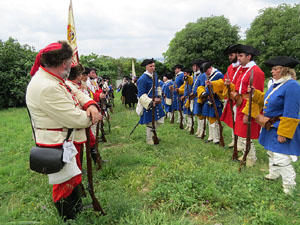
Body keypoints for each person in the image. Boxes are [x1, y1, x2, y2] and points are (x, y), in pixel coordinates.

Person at [26, 41, 101, 221]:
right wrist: (93, 116)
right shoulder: (47, 86)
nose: (71, 66)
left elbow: (75, 92)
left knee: (72, 177)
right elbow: (74, 118)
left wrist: (89, 104)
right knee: (62, 183)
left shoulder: (52, 78)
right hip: (55, 142)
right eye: (69, 62)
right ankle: (69, 218)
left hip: (63, 139)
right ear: (63, 64)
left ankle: (77, 209)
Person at [250, 56, 300, 194]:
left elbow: (291, 111)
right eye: (272, 69)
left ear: (285, 70)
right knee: (271, 151)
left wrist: (284, 132)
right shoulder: (276, 84)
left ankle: (289, 188)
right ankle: (274, 173)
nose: (272, 71)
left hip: (281, 126)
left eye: (275, 69)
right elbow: (267, 99)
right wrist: (254, 94)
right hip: (270, 125)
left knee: (281, 156)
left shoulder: (292, 86)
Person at [225, 44, 265, 167]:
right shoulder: (243, 69)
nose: (238, 58)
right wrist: (229, 86)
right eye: (238, 55)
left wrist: (248, 112)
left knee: (247, 132)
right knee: (241, 132)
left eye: (241, 56)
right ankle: (246, 152)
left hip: (249, 106)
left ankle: (251, 157)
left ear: (249, 56)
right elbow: (238, 88)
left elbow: (256, 94)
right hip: (240, 103)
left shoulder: (256, 71)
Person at [137, 59, 165, 145]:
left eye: (153, 66)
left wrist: (159, 97)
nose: (153, 68)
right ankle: (149, 138)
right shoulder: (142, 79)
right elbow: (141, 94)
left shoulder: (155, 75)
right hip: (148, 103)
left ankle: (153, 134)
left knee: (159, 119)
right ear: (146, 67)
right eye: (151, 66)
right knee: (149, 121)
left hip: (156, 102)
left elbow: (158, 87)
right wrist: (150, 101)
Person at [201, 61, 224, 144]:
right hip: (208, 100)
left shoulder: (218, 75)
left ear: (210, 68)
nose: (206, 73)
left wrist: (214, 93)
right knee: (208, 118)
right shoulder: (208, 76)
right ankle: (211, 136)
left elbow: (222, 87)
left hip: (216, 99)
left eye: (207, 71)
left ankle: (216, 138)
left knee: (214, 118)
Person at [189, 59, 206, 138]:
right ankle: (199, 130)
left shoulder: (202, 75)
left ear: (199, 66)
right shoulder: (196, 75)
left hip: (199, 97)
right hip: (195, 97)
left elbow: (202, 86)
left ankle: (203, 131)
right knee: (198, 114)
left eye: (195, 66)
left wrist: (195, 93)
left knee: (201, 115)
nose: (193, 67)